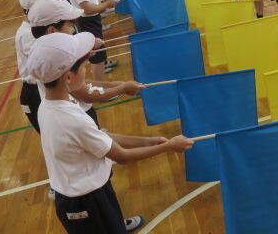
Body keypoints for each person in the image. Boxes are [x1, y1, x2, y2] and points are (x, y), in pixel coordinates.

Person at [26, 32, 193, 234]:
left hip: (85, 196)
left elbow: (100, 137)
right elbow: (121, 156)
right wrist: (168, 146)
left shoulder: (50, 104)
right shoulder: (71, 119)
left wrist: (149, 141)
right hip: (87, 201)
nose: (87, 70)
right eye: (84, 67)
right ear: (68, 77)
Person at [16, 0, 61, 133]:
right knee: (54, 136)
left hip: (42, 89)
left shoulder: (36, 28)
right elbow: (46, 66)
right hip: (36, 93)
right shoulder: (28, 34)